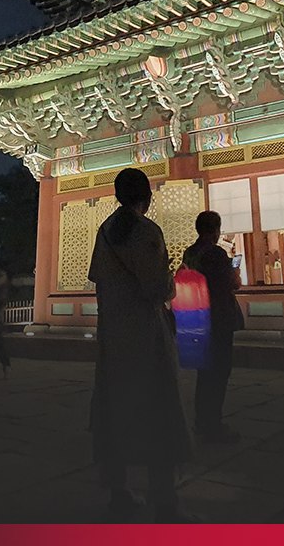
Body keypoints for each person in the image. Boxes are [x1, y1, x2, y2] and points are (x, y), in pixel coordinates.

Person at [88, 168, 194, 523]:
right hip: (145, 334)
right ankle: (164, 500)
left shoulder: (105, 232)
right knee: (158, 410)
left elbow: (99, 280)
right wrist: (172, 281)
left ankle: (118, 490)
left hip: (112, 334)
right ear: (145, 196)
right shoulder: (146, 232)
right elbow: (157, 288)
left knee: (114, 408)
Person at [181, 211, 245, 444]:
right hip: (218, 318)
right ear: (216, 230)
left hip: (196, 317)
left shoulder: (190, 252)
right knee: (219, 372)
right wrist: (235, 272)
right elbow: (232, 284)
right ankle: (213, 424)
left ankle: (202, 420)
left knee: (204, 372)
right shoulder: (216, 254)